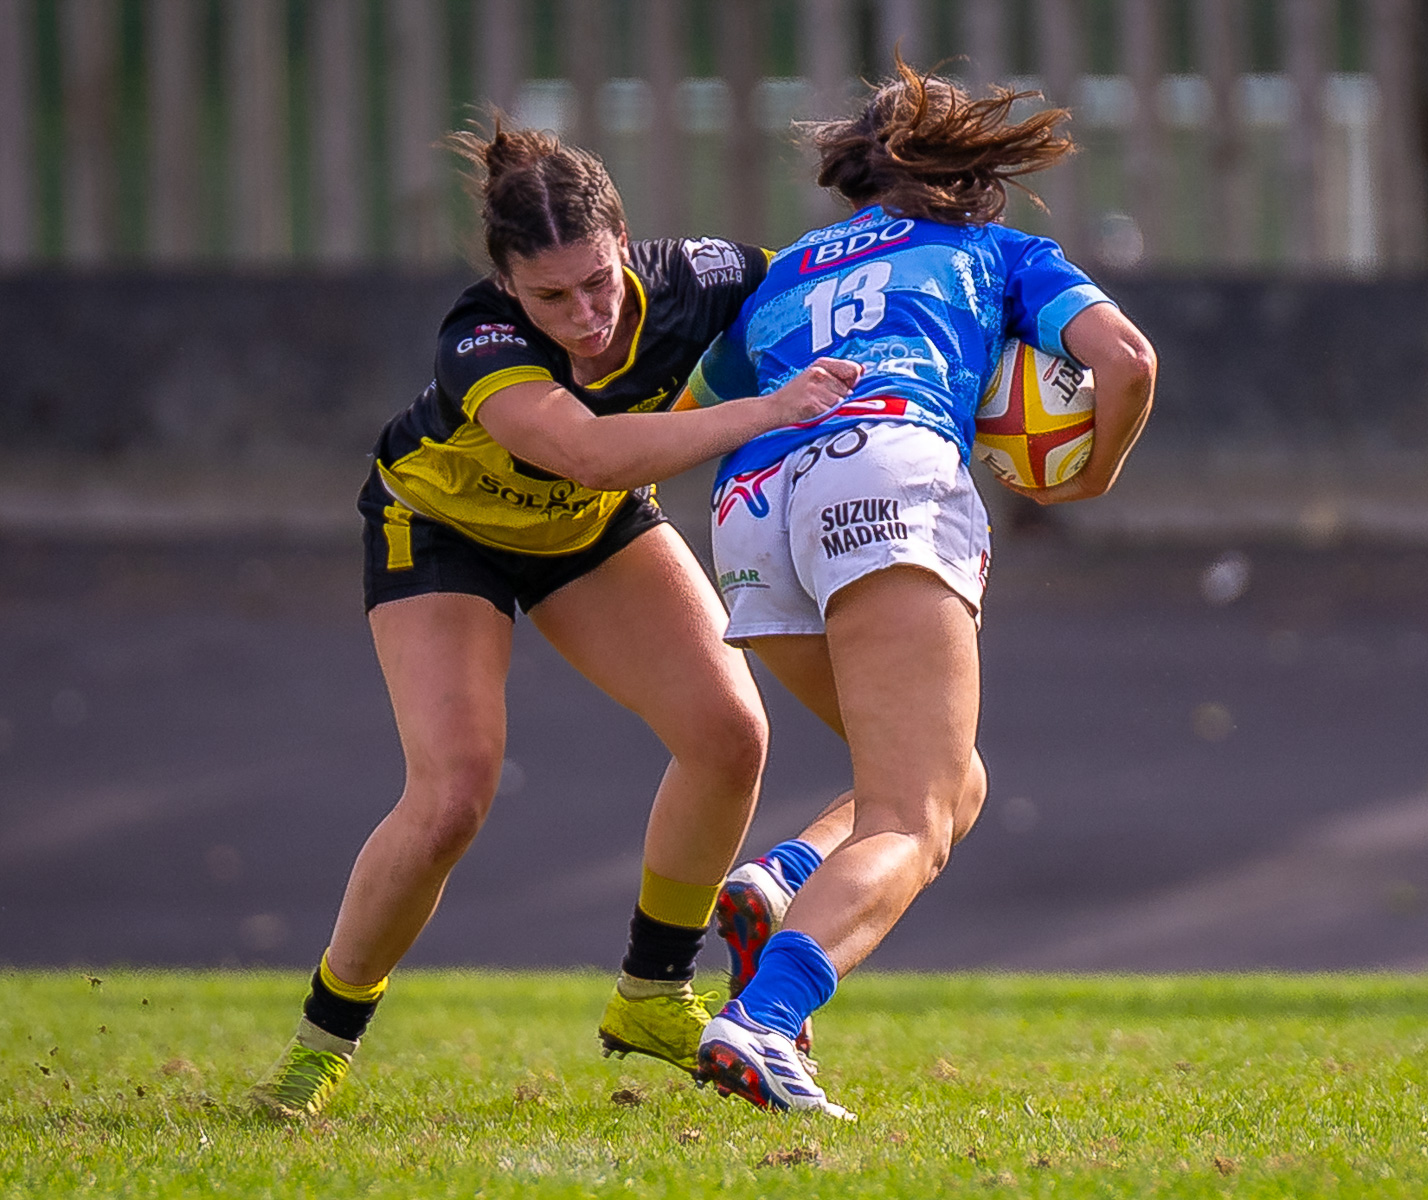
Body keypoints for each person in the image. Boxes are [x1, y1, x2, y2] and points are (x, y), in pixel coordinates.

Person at [245, 121, 862, 1118]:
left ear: (622, 240)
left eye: (597, 283)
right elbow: (587, 453)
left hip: (587, 526)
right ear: (507, 283)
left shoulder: (701, 277)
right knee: (453, 795)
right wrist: (767, 410)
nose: (583, 317)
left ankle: (652, 996)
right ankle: (322, 1044)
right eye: (550, 297)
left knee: (728, 736)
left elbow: (828, 284)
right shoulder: (479, 339)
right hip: (443, 529)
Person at [684, 62, 1157, 1118]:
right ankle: (763, 1021)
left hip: (748, 510)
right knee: (915, 816)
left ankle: (785, 878)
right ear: (974, 178)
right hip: (886, 470)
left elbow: (689, 404)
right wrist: (1091, 473)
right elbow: (1126, 360)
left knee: (950, 780)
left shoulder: (786, 273)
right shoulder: (998, 253)